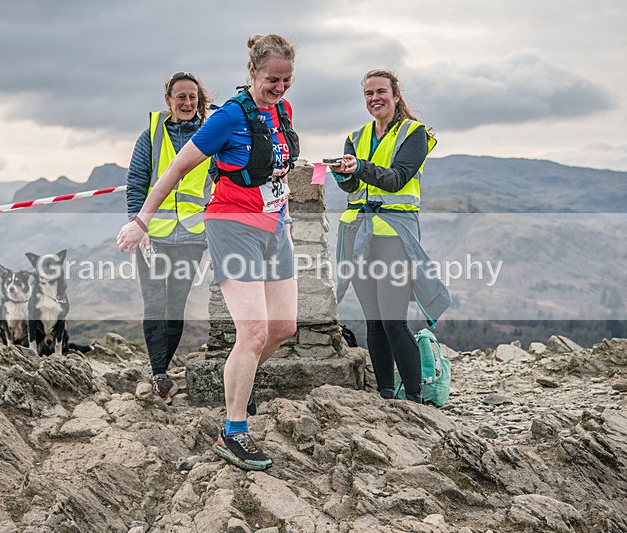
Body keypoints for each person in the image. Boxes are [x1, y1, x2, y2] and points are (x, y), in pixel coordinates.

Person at [118, 34, 299, 470]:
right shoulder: (227, 117)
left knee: (282, 328)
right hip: (232, 226)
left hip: (275, 226)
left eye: (287, 80)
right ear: (252, 72)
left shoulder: (283, 110)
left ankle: (239, 379)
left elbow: (277, 171)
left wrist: (285, 217)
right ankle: (233, 432)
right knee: (253, 333)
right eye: (272, 80)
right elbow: (176, 169)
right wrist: (141, 221)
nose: (279, 88)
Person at [329, 69, 450, 403]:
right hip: (358, 233)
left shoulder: (415, 133)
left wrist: (359, 167)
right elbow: (354, 187)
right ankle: (384, 395)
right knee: (374, 322)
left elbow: (397, 179)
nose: (375, 98)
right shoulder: (356, 136)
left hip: (394, 236)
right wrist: (343, 175)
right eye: (369, 93)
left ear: (396, 95)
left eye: (381, 91)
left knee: (393, 320)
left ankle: (414, 398)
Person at [125, 71, 212, 404]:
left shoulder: (210, 134)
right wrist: (138, 226)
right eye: (181, 97)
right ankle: (159, 373)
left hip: (192, 236)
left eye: (192, 97)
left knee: (176, 307)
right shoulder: (150, 136)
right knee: (154, 304)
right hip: (154, 236)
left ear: (199, 100)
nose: (187, 103)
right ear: (168, 100)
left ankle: (161, 369)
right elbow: (136, 184)